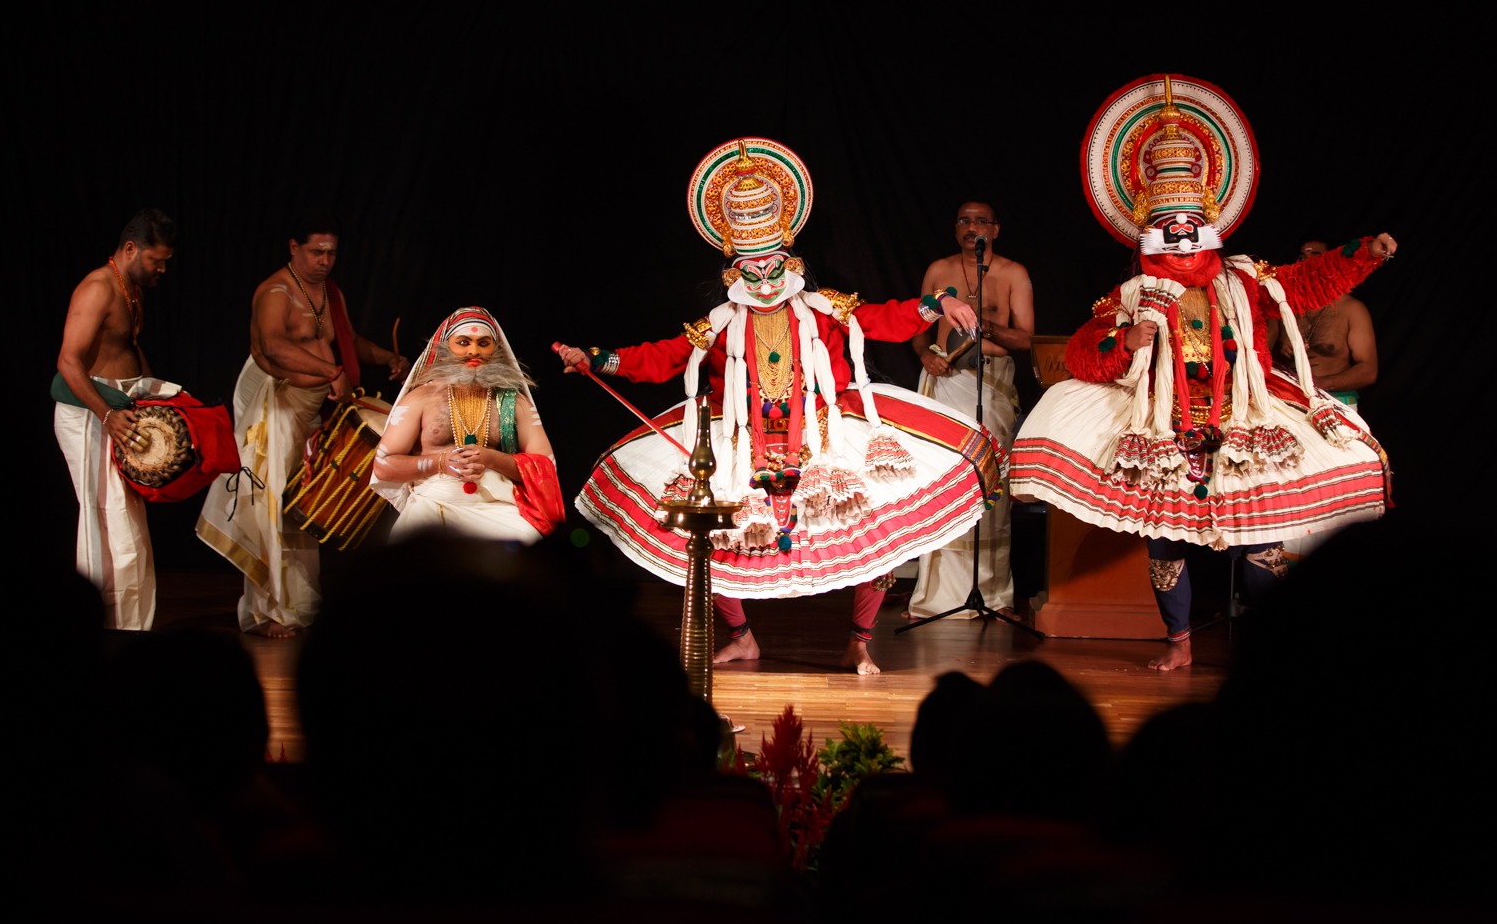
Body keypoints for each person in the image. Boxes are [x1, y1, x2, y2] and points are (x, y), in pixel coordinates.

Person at [555, 137, 1002, 676]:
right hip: (739, 440)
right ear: (734, 272)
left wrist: (940, 303)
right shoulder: (718, 326)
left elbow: (884, 319)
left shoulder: (825, 308)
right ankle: (742, 638)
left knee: (875, 537)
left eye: (773, 269)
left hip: (825, 432)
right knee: (708, 537)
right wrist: (595, 359)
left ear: (789, 261)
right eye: (752, 272)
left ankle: (860, 642)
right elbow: (661, 357)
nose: (765, 282)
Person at [1008, 74, 1396, 672]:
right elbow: (1084, 354)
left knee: (1263, 542)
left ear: (1209, 223)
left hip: (1243, 419)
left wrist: (1362, 254)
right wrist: (1126, 341)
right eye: (1171, 227)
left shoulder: (1243, 280)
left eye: (1192, 224)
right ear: (1150, 232)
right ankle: (1180, 644)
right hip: (1164, 426)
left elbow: (1306, 283)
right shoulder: (1132, 294)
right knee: (1166, 545)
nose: (1184, 237)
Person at [195, 211, 410, 638]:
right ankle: (267, 611)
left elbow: (346, 340)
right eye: (316, 252)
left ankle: (296, 604)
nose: (325, 261)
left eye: (332, 253)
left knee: (302, 503)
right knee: (272, 503)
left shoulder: (330, 292)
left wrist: (386, 356)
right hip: (276, 407)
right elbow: (274, 346)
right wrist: (331, 373)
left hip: (312, 410)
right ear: (294, 247)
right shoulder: (274, 292)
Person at [53, 208, 180, 631]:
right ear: (130, 249)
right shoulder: (97, 288)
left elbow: (129, 347)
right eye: (156, 260)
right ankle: (101, 631)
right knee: (105, 526)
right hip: (90, 414)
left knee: (129, 527)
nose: (162, 269)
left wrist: (154, 401)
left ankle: (132, 629)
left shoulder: (132, 288)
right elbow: (68, 361)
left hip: (119, 411)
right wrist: (106, 414)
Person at [906, 199, 1033, 620]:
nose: (971, 227)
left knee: (989, 485)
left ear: (995, 229)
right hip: (947, 382)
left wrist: (984, 324)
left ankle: (994, 594)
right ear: (955, 228)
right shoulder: (938, 270)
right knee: (945, 482)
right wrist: (926, 355)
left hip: (992, 385)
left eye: (980, 221)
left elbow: (1026, 340)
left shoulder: (1013, 273)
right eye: (964, 220)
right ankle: (936, 596)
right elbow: (919, 328)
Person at [369, 306, 565, 542]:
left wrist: (491, 459)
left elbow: (545, 467)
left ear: (495, 349)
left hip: (498, 508)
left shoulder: (514, 402)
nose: (474, 351)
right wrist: (442, 463)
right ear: (445, 348)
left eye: (483, 343)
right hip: (433, 504)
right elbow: (383, 466)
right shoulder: (421, 398)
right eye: (463, 342)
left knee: (530, 545)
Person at [1266, 238, 1378, 412]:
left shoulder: (1352, 309)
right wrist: (1281, 346)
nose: (1307, 262)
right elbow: (1259, 351)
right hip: (1288, 400)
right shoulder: (1281, 305)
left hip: (1337, 402)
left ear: (1332, 260)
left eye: (1316, 256)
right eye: (1302, 258)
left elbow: (1368, 371)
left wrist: (1324, 383)